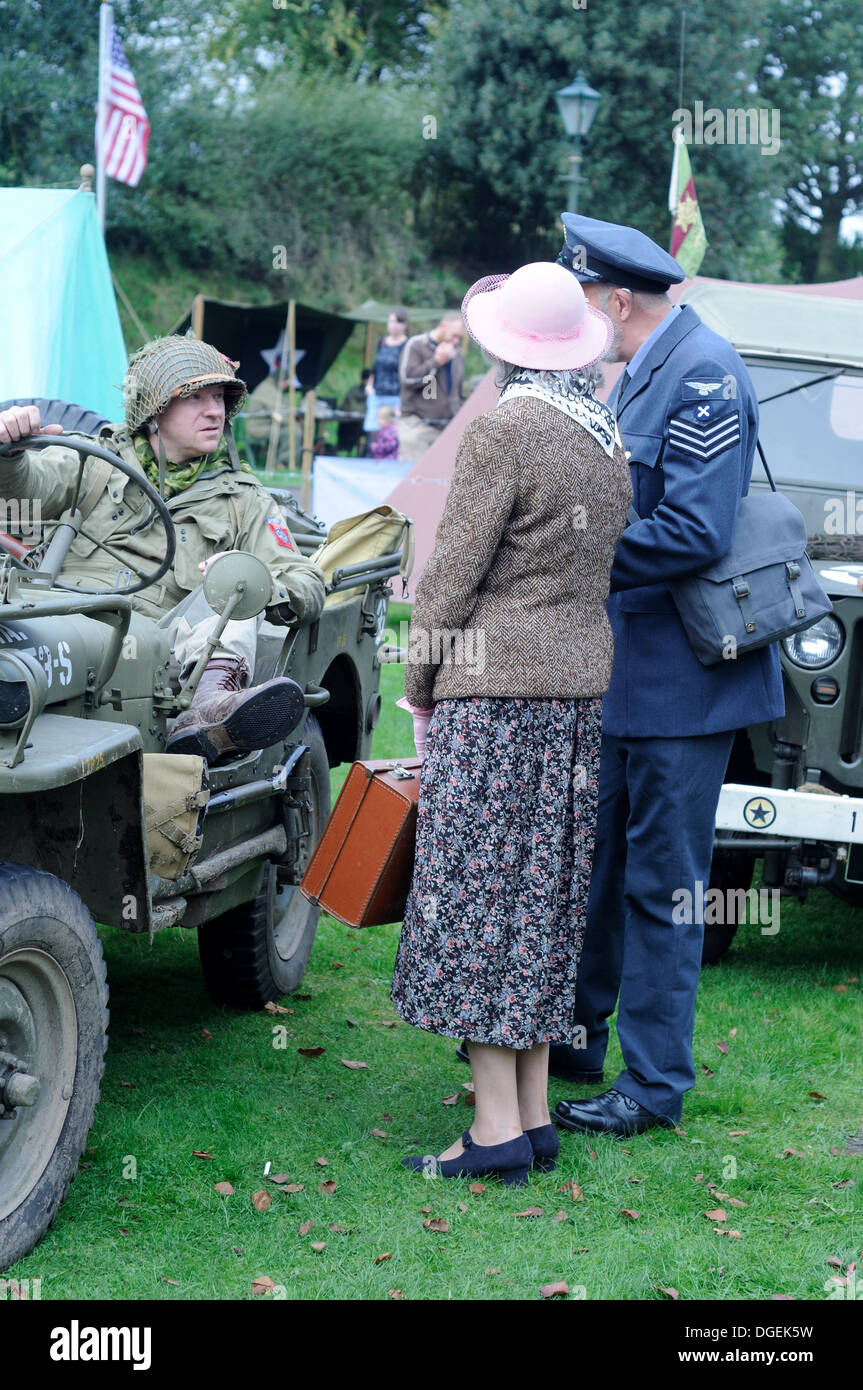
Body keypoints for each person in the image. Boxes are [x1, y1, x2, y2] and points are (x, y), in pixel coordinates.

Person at [391, 262, 632, 1186]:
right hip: (575, 695)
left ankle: (494, 1128)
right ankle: (530, 1115)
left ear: (503, 345)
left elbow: (449, 578)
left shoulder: (504, 429)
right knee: (540, 899)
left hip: (495, 695)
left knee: (480, 902)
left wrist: (418, 682)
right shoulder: (603, 435)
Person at [548, 214, 784, 1137]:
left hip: (681, 686)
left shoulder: (702, 373)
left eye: (580, 303)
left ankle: (651, 1088)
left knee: (663, 885)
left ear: (614, 300)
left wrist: (567, 561)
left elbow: (693, 532)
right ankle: (573, 1036)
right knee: (598, 867)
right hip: (631, 674)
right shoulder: (648, 366)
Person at [0, 335, 326, 763]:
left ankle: (210, 711)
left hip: (164, 652)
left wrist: (255, 581)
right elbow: (26, 489)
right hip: (60, 617)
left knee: (237, 581)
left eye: (220, 398)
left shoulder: (244, 500)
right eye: (196, 398)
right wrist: (10, 452)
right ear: (153, 409)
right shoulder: (93, 461)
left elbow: (307, 581)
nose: (215, 410)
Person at [397, 313, 465, 460]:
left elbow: (456, 393)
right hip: (416, 426)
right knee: (413, 480)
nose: (455, 342)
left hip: (446, 429)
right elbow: (407, 379)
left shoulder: (456, 354)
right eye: (454, 336)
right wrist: (437, 362)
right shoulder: (416, 345)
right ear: (442, 326)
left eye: (460, 338)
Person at [243, 365, 303, 468]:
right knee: (293, 431)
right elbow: (279, 414)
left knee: (293, 429)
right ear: (281, 381)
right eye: (286, 382)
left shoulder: (271, 387)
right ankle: (283, 463)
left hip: (266, 425)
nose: (287, 386)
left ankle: (286, 461)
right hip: (258, 428)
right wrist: (292, 420)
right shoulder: (268, 390)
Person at [363, 310, 409, 436]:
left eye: (397, 322)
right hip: (377, 395)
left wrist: (404, 399)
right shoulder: (382, 341)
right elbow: (375, 367)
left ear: (405, 325)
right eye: (391, 321)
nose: (393, 325)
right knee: (373, 435)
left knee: (392, 436)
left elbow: (409, 373)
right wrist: (369, 387)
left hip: (395, 397)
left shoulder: (408, 344)